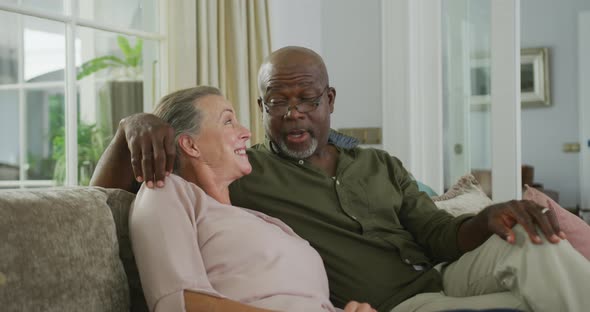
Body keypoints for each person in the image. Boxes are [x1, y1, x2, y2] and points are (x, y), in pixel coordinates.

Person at [91, 46, 590, 312]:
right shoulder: (243, 171)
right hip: (395, 304)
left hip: (443, 274)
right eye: (275, 103)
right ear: (263, 106)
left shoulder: (380, 164)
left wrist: (487, 217)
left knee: (532, 239)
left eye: (306, 100)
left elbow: (438, 235)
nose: (292, 115)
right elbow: (113, 195)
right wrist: (130, 128)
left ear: (329, 100)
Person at [128, 86, 375, 312]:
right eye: (228, 121)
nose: (246, 133)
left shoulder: (255, 218)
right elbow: (178, 302)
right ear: (190, 145)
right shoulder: (166, 189)